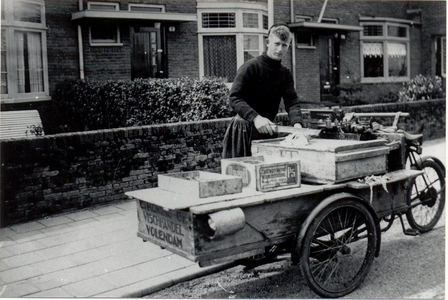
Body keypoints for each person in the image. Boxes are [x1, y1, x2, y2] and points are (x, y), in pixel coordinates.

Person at [222, 23, 303, 159]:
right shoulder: (250, 67)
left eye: (284, 45)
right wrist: (256, 118)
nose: (279, 49)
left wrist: (297, 125)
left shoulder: (285, 73)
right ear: (267, 42)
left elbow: (292, 102)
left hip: (267, 130)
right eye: (276, 44)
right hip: (243, 131)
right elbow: (234, 98)